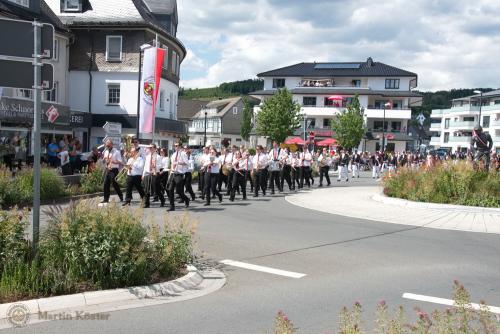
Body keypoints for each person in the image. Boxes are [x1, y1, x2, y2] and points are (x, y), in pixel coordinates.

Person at [167, 142, 190, 211]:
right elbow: (172, 165)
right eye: (175, 146)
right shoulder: (173, 155)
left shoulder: (183, 154)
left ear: (180, 146)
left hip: (179, 174)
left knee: (179, 191)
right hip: (173, 173)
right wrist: (170, 173)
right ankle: (172, 206)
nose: (175, 147)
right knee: (170, 189)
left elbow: (187, 163)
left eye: (177, 146)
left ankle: (186, 199)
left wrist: (179, 163)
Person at [101, 139, 124, 203]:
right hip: (108, 169)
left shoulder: (116, 152)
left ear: (111, 144)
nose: (107, 146)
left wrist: (112, 161)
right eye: (106, 145)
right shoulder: (106, 151)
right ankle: (106, 199)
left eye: (108, 144)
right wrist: (104, 160)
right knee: (106, 184)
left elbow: (120, 162)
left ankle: (121, 196)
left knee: (114, 184)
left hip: (114, 170)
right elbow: (105, 160)